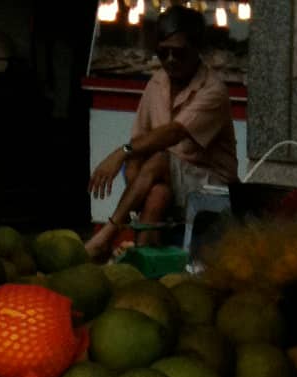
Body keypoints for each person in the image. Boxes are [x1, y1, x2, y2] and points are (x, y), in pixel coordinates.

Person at [86, 7, 236, 258]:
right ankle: (144, 264)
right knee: (157, 192)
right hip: (168, 181)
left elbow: (173, 133)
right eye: (162, 52)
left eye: (178, 53)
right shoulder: (157, 83)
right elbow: (139, 143)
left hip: (211, 184)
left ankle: (106, 235)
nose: (170, 60)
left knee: (159, 159)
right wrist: (140, 191)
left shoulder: (213, 91)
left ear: (196, 49)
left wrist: (121, 153)